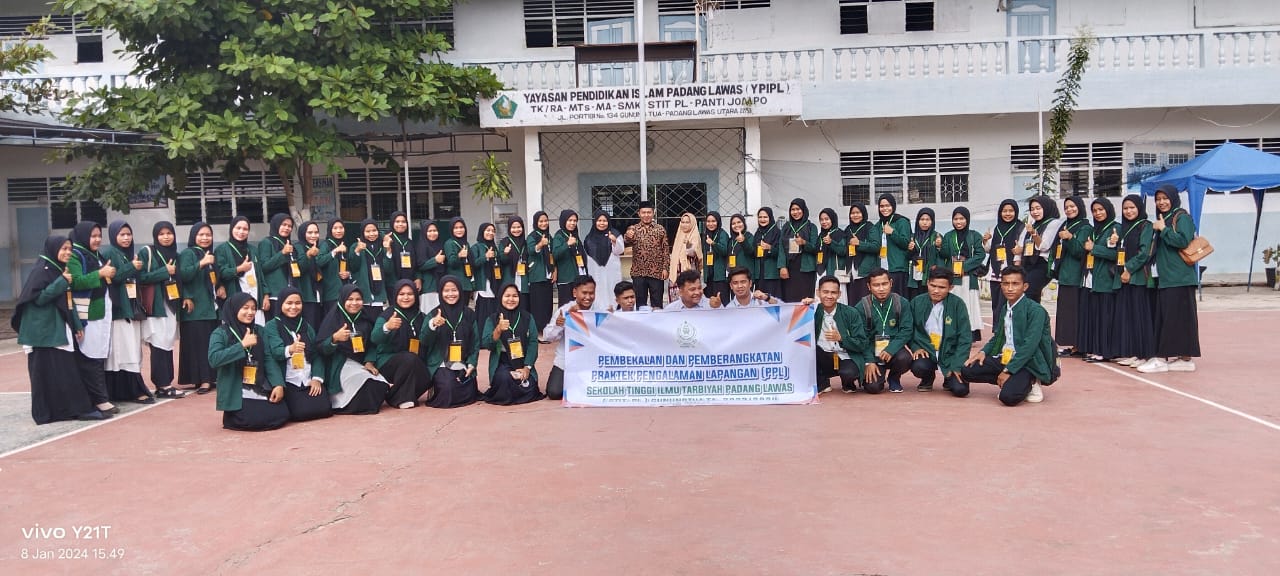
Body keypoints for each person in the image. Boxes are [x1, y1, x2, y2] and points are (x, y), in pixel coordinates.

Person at [14, 235, 106, 423]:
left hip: (55, 328)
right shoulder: (42, 271)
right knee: (49, 373)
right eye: (63, 249)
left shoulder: (58, 269)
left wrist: (76, 323)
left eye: (70, 249)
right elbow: (39, 299)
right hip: (43, 332)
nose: (67, 252)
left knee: (63, 371)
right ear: (53, 249)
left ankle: (67, 410)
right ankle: (55, 411)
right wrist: (62, 281)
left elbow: (67, 301)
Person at [960, 265, 1057, 406]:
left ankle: (1032, 380)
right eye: (1006, 284)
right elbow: (998, 336)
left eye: (1015, 284)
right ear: (1001, 286)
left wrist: (1008, 370)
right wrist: (983, 352)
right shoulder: (1006, 307)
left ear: (1025, 286)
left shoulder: (1036, 311)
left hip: (1028, 362)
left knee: (1008, 398)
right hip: (1005, 357)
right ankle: (1014, 381)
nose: (1010, 288)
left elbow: (1029, 346)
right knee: (967, 370)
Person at [1138, 184, 1201, 373]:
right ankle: (1183, 358)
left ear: (1173, 198)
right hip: (1166, 278)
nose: (1161, 202)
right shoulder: (1163, 218)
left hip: (1179, 278)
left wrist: (1163, 229)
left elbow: (1182, 240)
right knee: (1173, 319)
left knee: (1176, 319)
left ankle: (1163, 358)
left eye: (1165, 198)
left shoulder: (1181, 217)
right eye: (1158, 199)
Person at [210, 293, 289, 431]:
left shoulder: (259, 330)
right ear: (234, 309)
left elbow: (269, 359)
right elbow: (214, 359)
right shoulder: (220, 333)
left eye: (253, 308)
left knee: (282, 413)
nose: (250, 312)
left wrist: (278, 384)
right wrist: (242, 345)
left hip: (259, 384)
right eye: (245, 308)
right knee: (253, 419)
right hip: (237, 388)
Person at [316, 284, 390, 414]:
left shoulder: (365, 318)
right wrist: (334, 339)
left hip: (361, 362)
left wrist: (369, 361)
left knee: (380, 385)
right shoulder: (333, 318)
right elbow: (320, 348)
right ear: (342, 299)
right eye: (350, 299)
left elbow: (372, 344)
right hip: (339, 363)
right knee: (367, 383)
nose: (354, 303)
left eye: (358, 299)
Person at [67, 221, 117, 414]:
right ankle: (99, 399)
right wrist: (100, 273)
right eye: (92, 236)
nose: (97, 240)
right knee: (90, 356)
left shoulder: (96, 255)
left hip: (101, 312)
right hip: (88, 314)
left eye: (99, 236)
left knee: (99, 355)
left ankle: (101, 396)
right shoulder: (75, 255)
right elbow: (76, 282)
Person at [101, 220, 152, 404]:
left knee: (131, 350)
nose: (126, 238)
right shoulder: (109, 252)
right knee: (121, 352)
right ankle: (127, 390)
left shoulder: (127, 254)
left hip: (131, 309)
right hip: (119, 311)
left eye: (128, 234)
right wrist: (132, 267)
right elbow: (113, 277)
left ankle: (130, 389)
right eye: (121, 234)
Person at [263, 287, 331, 421]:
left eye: (298, 303)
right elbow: (275, 352)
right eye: (289, 303)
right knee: (300, 413)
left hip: (307, 378)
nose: (293, 307)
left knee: (325, 408)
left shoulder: (306, 325)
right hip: (289, 379)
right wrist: (291, 349)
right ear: (281, 304)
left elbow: (316, 354)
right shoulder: (272, 326)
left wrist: (316, 379)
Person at [137, 221, 187, 398]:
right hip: (155, 306)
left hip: (171, 305)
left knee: (167, 344)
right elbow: (140, 277)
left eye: (169, 233)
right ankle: (162, 384)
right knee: (158, 344)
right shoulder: (147, 252)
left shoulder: (176, 255)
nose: (166, 237)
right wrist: (164, 272)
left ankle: (166, 383)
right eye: (161, 234)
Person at [371, 280, 434, 409]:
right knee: (409, 359)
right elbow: (374, 337)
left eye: (410, 294)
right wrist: (387, 327)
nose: (406, 297)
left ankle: (393, 395)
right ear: (395, 296)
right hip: (388, 361)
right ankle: (401, 398)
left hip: (414, 361)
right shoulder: (387, 315)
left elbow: (427, 341)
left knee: (428, 375)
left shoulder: (421, 316)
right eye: (401, 294)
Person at [1110, 195, 1157, 369]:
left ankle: (1145, 354)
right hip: (1124, 278)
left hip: (1138, 278)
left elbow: (1144, 253)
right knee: (1129, 317)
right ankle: (1134, 353)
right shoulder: (1123, 228)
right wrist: (1113, 243)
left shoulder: (1146, 226)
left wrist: (1128, 269)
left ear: (1139, 208)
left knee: (1140, 317)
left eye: (1132, 208)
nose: (1128, 211)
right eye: (1125, 208)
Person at [909, 268, 973, 395]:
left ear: (951, 287)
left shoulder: (958, 304)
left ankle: (949, 379)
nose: (936, 291)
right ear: (927, 283)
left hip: (950, 355)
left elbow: (965, 338)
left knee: (961, 390)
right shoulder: (917, 302)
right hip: (927, 352)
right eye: (933, 285)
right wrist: (915, 347)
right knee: (919, 366)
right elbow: (909, 330)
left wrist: (957, 365)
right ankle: (928, 378)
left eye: (942, 287)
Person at [481, 283, 545, 405]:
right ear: (500, 297)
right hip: (502, 361)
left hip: (522, 360)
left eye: (515, 296)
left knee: (530, 385)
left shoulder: (527, 317)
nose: (511, 299)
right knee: (504, 379)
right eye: (507, 296)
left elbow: (533, 343)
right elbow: (487, 344)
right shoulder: (492, 319)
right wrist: (498, 330)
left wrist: (527, 368)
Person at [422, 275, 480, 408]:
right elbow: (424, 341)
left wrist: (471, 363)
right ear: (440, 292)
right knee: (448, 387)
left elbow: (475, 342)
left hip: (463, 362)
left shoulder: (468, 314)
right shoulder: (433, 314)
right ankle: (435, 387)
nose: (450, 294)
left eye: (454, 290)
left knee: (468, 388)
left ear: (460, 291)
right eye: (446, 291)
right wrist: (433, 325)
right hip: (441, 363)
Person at [855, 268, 913, 393]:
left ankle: (894, 377)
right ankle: (874, 375)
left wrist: (891, 349)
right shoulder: (862, 306)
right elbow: (861, 337)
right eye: (876, 285)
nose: (881, 289)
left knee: (905, 358)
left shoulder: (901, 303)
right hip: (872, 352)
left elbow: (906, 330)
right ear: (869, 286)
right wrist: (869, 361)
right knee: (873, 388)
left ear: (891, 283)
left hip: (894, 350)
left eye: (884, 284)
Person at [178, 222, 220, 395]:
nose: (205, 238)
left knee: (208, 344)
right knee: (198, 345)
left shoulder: (209, 254)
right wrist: (201, 263)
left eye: (208, 235)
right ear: (193, 236)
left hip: (209, 308)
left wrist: (220, 286)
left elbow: (213, 278)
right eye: (201, 235)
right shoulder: (188, 253)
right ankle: (203, 380)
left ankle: (207, 378)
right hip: (195, 308)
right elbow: (183, 275)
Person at [541, 275, 597, 401]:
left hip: (592, 360)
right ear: (575, 292)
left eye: (591, 293)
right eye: (584, 293)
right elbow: (547, 336)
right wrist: (559, 324)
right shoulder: (564, 310)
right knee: (554, 392)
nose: (588, 297)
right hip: (566, 360)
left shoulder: (600, 311)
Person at [1049, 197, 1091, 356]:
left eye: (1072, 206)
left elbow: (1080, 251)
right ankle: (1071, 344)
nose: (1069, 210)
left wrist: (1070, 238)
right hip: (1065, 275)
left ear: (1080, 207)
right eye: (1066, 207)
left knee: (1075, 313)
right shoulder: (1065, 225)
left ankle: (1078, 345)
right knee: (1066, 313)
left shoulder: (1085, 227)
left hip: (1076, 276)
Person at [1080, 197, 1120, 363]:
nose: (1097, 213)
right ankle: (1098, 349)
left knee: (1106, 318)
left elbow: (1117, 255)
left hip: (1107, 281)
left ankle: (1106, 351)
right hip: (1095, 280)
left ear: (1108, 210)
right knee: (1098, 317)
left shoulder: (1115, 228)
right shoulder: (1097, 230)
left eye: (1101, 210)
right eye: (1095, 211)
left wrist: (1094, 248)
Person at [814, 275, 866, 394]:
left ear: (839, 294)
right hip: (824, 356)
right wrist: (803, 306)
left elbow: (862, 343)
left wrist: (842, 338)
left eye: (833, 292)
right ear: (818, 292)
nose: (829, 296)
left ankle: (848, 383)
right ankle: (822, 383)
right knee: (808, 351)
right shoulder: (812, 311)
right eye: (825, 292)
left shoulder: (851, 312)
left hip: (845, 355)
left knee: (849, 373)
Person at [940, 207, 985, 342]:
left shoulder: (974, 235)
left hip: (969, 278)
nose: (958, 222)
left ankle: (969, 335)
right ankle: (953, 333)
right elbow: (944, 254)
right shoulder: (948, 236)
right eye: (955, 219)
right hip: (954, 278)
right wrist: (940, 245)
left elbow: (980, 254)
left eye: (961, 218)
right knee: (953, 305)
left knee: (969, 306)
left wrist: (964, 267)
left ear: (967, 219)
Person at [983, 199, 1026, 321]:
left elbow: (1022, 248)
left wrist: (1019, 254)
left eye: (1011, 211)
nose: (1007, 214)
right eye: (1004, 211)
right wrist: (985, 240)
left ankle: (1007, 329)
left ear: (1016, 212)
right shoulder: (995, 228)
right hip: (995, 272)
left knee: (1007, 305)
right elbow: (988, 250)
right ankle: (997, 329)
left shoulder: (1021, 228)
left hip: (1011, 272)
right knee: (996, 305)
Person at [623, 201, 668, 310]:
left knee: (657, 304)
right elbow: (626, 241)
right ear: (639, 213)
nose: (646, 215)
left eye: (649, 212)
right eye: (643, 212)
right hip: (639, 272)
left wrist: (665, 268)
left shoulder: (660, 229)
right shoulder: (633, 229)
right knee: (640, 304)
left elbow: (665, 250)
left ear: (653, 213)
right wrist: (627, 236)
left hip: (656, 272)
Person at [215, 216, 262, 316]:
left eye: (245, 229)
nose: (241, 232)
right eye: (238, 228)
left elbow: (261, 275)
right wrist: (240, 269)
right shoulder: (222, 249)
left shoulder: (253, 250)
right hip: (233, 296)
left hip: (253, 295)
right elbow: (221, 273)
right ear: (232, 228)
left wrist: (265, 295)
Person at [256, 213, 297, 321]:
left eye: (289, 226)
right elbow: (263, 267)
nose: (287, 228)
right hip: (274, 295)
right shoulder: (266, 242)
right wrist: (282, 253)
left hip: (289, 294)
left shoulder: (289, 244)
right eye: (283, 225)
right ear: (276, 224)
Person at [1023, 196, 1063, 302]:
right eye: (1032, 209)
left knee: (1028, 292)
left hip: (1043, 264)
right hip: (1029, 262)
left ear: (1046, 208)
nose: (1035, 212)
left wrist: (1033, 233)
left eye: (1038, 208)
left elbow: (1044, 246)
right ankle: (1035, 313)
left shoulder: (1054, 223)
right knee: (1032, 296)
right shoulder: (1035, 224)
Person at [585, 211, 626, 312]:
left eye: (604, 221)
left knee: (612, 291)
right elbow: (587, 255)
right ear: (595, 221)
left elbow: (620, 251)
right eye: (599, 220)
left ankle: (613, 310)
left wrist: (614, 241)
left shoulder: (615, 234)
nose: (602, 223)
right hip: (595, 271)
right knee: (597, 291)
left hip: (611, 270)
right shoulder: (589, 237)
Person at [779, 198, 819, 303]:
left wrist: (804, 243)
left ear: (804, 210)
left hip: (806, 269)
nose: (795, 212)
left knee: (804, 300)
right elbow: (781, 247)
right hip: (789, 269)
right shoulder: (786, 227)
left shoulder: (811, 227)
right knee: (789, 299)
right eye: (793, 209)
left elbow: (815, 248)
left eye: (798, 209)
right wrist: (782, 266)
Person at [318, 219, 358, 314]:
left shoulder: (344, 244)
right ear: (330, 230)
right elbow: (319, 261)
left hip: (344, 291)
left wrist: (348, 273)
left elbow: (351, 266)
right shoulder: (325, 244)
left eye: (341, 228)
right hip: (331, 293)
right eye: (335, 228)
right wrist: (335, 251)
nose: (338, 230)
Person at [876, 194, 912, 296]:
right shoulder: (878, 224)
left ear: (893, 206)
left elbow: (906, 243)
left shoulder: (902, 221)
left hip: (898, 268)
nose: (885, 209)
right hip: (881, 269)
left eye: (888, 205)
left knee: (898, 299)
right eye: (882, 206)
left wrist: (892, 232)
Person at [844, 204, 881, 305]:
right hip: (850, 273)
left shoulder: (870, 227)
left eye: (858, 212)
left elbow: (876, 246)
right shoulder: (848, 229)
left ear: (863, 213)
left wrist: (859, 243)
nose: (855, 215)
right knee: (852, 303)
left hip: (865, 272)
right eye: (852, 213)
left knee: (866, 303)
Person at [527, 211, 557, 329]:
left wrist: (554, 270)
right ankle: (538, 330)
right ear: (536, 222)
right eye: (541, 221)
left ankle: (546, 329)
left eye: (545, 221)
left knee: (547, 304)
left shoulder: (549, 236)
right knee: (537, 306)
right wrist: (540, 244)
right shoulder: (532, 236)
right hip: (537, 276)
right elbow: (530, 251)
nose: (544, 223)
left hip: (548, 276)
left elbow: (553, 255)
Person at [553, 210, 589, 307]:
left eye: (575, 221)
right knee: (566, 307)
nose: (572, 223)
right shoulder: (559, 236)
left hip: (578, 276)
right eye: (570, 220)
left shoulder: (575, 234)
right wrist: (567, 244)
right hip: (566, 279)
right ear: (564, 221)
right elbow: (555, 254)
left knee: (579, 305)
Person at [906, 208, 942, 300]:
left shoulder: (937, 236)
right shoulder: (913, 237)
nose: (924, 222)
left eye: (927, 220)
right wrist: (910, 250)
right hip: (915, 275)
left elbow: (943, 256)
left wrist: (939, 246)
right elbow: (907, 257)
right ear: (918, 221)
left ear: (932, 221)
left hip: (930, 275)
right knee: (915, 300)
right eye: (922, 219)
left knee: (929, 301)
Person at [294, 220, 325, 330]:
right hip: (306, 296)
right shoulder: (297, 247)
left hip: (320, 296)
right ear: (303, 233)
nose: (313, 235)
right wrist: (308, 255)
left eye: (316, 232)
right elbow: (298, 269)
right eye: (310, 232)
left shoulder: (320, 248)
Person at [667, 212, 702, 305]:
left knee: (689, 301)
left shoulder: (695, 235)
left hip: (688, 274)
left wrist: (688, 245)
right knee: (676, 304)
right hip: (676, 274)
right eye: (682, 222)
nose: (684, 225)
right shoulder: (679, 235)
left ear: (692, 223)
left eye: (687, 222)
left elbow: (694, 253)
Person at [354, 219, 388, 315]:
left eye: (374, 230)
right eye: (368, 231)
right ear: (362, 232)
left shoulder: (383, 245)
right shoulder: (357, 246)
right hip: (364, 290)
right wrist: (357, 251)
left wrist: (388, 249)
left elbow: (388, 268)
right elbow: (353, 266)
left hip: (379, 290)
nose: (371, 234)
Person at [471, 222, 503, 322]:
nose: (491, 233)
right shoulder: (476, 247)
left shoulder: (494, 247)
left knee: (494, 313)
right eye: (488, 230)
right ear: (482, 232)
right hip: (483, 285)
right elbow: (473, 264)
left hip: (495, 284)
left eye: (493, 231)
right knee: (483, 314)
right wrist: (485, 257)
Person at [814, 208, 848, 297]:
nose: (824, 222)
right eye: (821, 220)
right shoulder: (821, 235)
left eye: (827, 219)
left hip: (835, 272)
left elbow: (843, 251)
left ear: (832, 219)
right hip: (822, 271)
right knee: (822, 297)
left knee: (836, 297)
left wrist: (831, 243)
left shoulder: (840, 234)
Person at [754, 207, 785, 300]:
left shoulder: (777, 232)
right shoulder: (758, 233)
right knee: (760, 300)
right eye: (760, 217)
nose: (762, 219)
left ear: (770, 217)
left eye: (765, 217)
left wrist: (770, 248)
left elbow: (781, 252)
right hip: (759, 274)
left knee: (772, 300)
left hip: (772, 274)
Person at [701, 212, 731, 305]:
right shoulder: (706, 234)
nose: (711, 224)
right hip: (709, 276)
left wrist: (713, 243)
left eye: (713, 221)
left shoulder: (722, 234)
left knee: (721, 302)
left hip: (720, 276)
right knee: (710, 303)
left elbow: (724, 251)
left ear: (718, 222)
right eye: (708, 221)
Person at [416, 220, 445, 313]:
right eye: (429, 231)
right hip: (428, 286)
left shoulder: (440, 245)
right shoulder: (421, 246)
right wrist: (435, 260)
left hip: (441, 285)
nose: (433, 233)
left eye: (435, 230)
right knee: (429, 314)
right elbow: (419, 265)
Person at [500, 215, 530, 302]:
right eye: (513, 227)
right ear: (509, 228)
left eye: (519, 227)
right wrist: (505, 253)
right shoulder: (504, 242)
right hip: (510, 279)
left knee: (524, 304)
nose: (516, 230)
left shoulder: (526, 243)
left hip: (524, 280)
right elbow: (501, 260)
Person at [443, 217, 474, 301]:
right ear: (451, 230)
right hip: (456, 284)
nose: (459, 230)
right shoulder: (449, 243)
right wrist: (459, 255)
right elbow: (451, 263)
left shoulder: (466, 243)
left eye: (461, 227)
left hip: (466, 284)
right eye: (456, 228)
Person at [386, 211, 417, 289]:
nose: (400, 224)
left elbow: (416, 263)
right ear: (392, 223)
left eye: (403, 222)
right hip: (392, 285)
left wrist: (418, 278)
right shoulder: (387, 240)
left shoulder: (410, 242)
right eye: (397, 222)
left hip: (409, 284)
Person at [726, 214, 756, 287]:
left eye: (739, 222)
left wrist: (743, 241)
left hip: (746, 275)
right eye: (733, 223)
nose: (736, 225)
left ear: (744, 223)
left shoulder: (749, 236)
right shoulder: (730, 240)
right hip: (734, 276)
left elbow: (751, 251)